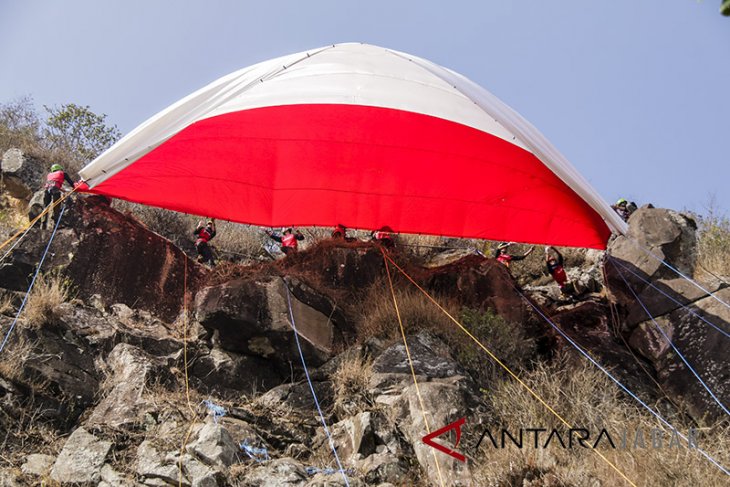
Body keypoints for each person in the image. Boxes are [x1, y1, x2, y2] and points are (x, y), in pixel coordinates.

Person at [42, 164, 75, 229]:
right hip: (55, 189)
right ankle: (56, 223)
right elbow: (71, 183)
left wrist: (62, 189)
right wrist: (74, 187)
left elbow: (52, 184)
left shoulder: (49, 175)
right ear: (60, 168)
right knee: (56, 206)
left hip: (47, 190)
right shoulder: (63, 173)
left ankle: (43, 223)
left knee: (46, 207)